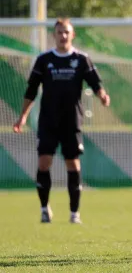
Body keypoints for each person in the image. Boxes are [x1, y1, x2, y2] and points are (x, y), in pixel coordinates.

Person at [13, 18, 110, 224]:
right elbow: (31, 90)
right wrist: (22, 116)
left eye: (66, 32)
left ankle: (74, 213)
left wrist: (102, 95)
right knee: (44, 163)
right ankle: (44, 209)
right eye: (59, 32)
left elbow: (95, 83)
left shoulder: (82, 59)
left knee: (72, 164)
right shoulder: (44, 60)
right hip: (48, 121)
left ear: (72, 35)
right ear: (54, 35)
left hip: (72, 121)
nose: (63, 36)